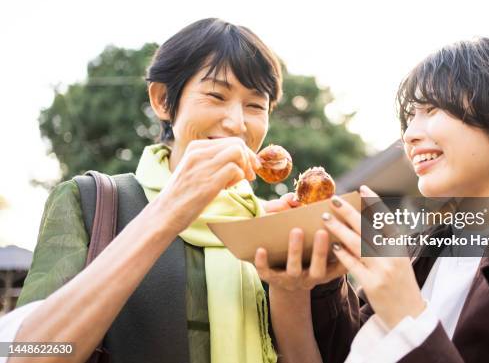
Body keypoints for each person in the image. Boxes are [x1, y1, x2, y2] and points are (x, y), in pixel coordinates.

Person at [2, 18, 340, 363]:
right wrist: (171, 209)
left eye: (255, 105)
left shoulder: (270, 229)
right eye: (216, 95)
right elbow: (25, 355)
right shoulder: (89, 201)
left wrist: (288, 286)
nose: (238, 122)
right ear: (163, 100)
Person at [256, 38, 489, 362]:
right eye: (411, 116)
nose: (410, 135)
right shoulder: (423, 253)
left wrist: (406, 310)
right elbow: (341, 353)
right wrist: (316, 275)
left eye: (432, 109)